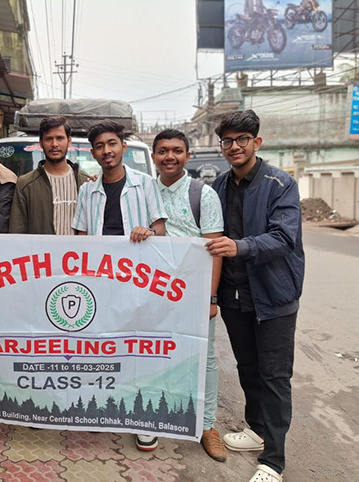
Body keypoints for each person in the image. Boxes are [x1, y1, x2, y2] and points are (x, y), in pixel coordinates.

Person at [206, 110, 304, 482]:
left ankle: (273, 461)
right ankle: (256, 429)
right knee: (247, 367)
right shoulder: (218, 186)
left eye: (242, 139)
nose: (234, 146)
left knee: (274, 376)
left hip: (274, 296)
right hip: (234, 295)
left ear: (256, 142)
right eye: (227, 141)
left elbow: (284, 237)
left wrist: (240, 246)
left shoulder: (281, 184)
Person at [71, 120, 167, 451]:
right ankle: (106, 408)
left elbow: (161, 230)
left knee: (137, 348)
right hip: (99, 284)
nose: (106, 151)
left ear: (123, 147)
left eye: (112, 144)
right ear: (93, 152)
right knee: (101, 347)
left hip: (137, 282)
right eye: (99, 146)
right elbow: (80, 236)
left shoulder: (145, 184)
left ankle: (143, 420)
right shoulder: (88, 191)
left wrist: (148, 232)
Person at [151, 129, 227, 462]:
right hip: (152, 291)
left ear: (187, 156)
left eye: (176, 150)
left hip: (193, 293)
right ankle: (151, 417)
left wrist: (210, 299)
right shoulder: (143, 192)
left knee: (203, 358)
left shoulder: (203, 195)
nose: (170, 156)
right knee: (153, 353)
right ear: (153, 156)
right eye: (163, 151)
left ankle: (207, 426)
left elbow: (215, 249)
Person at [9, 116, 90, 234]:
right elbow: (17, 231)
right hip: (38, 247)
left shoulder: (86, 182)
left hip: (79, 247)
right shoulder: (25, 184)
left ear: (69, 141)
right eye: (49, 139)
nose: (54, 144)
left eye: (60, 138)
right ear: (41, 143)